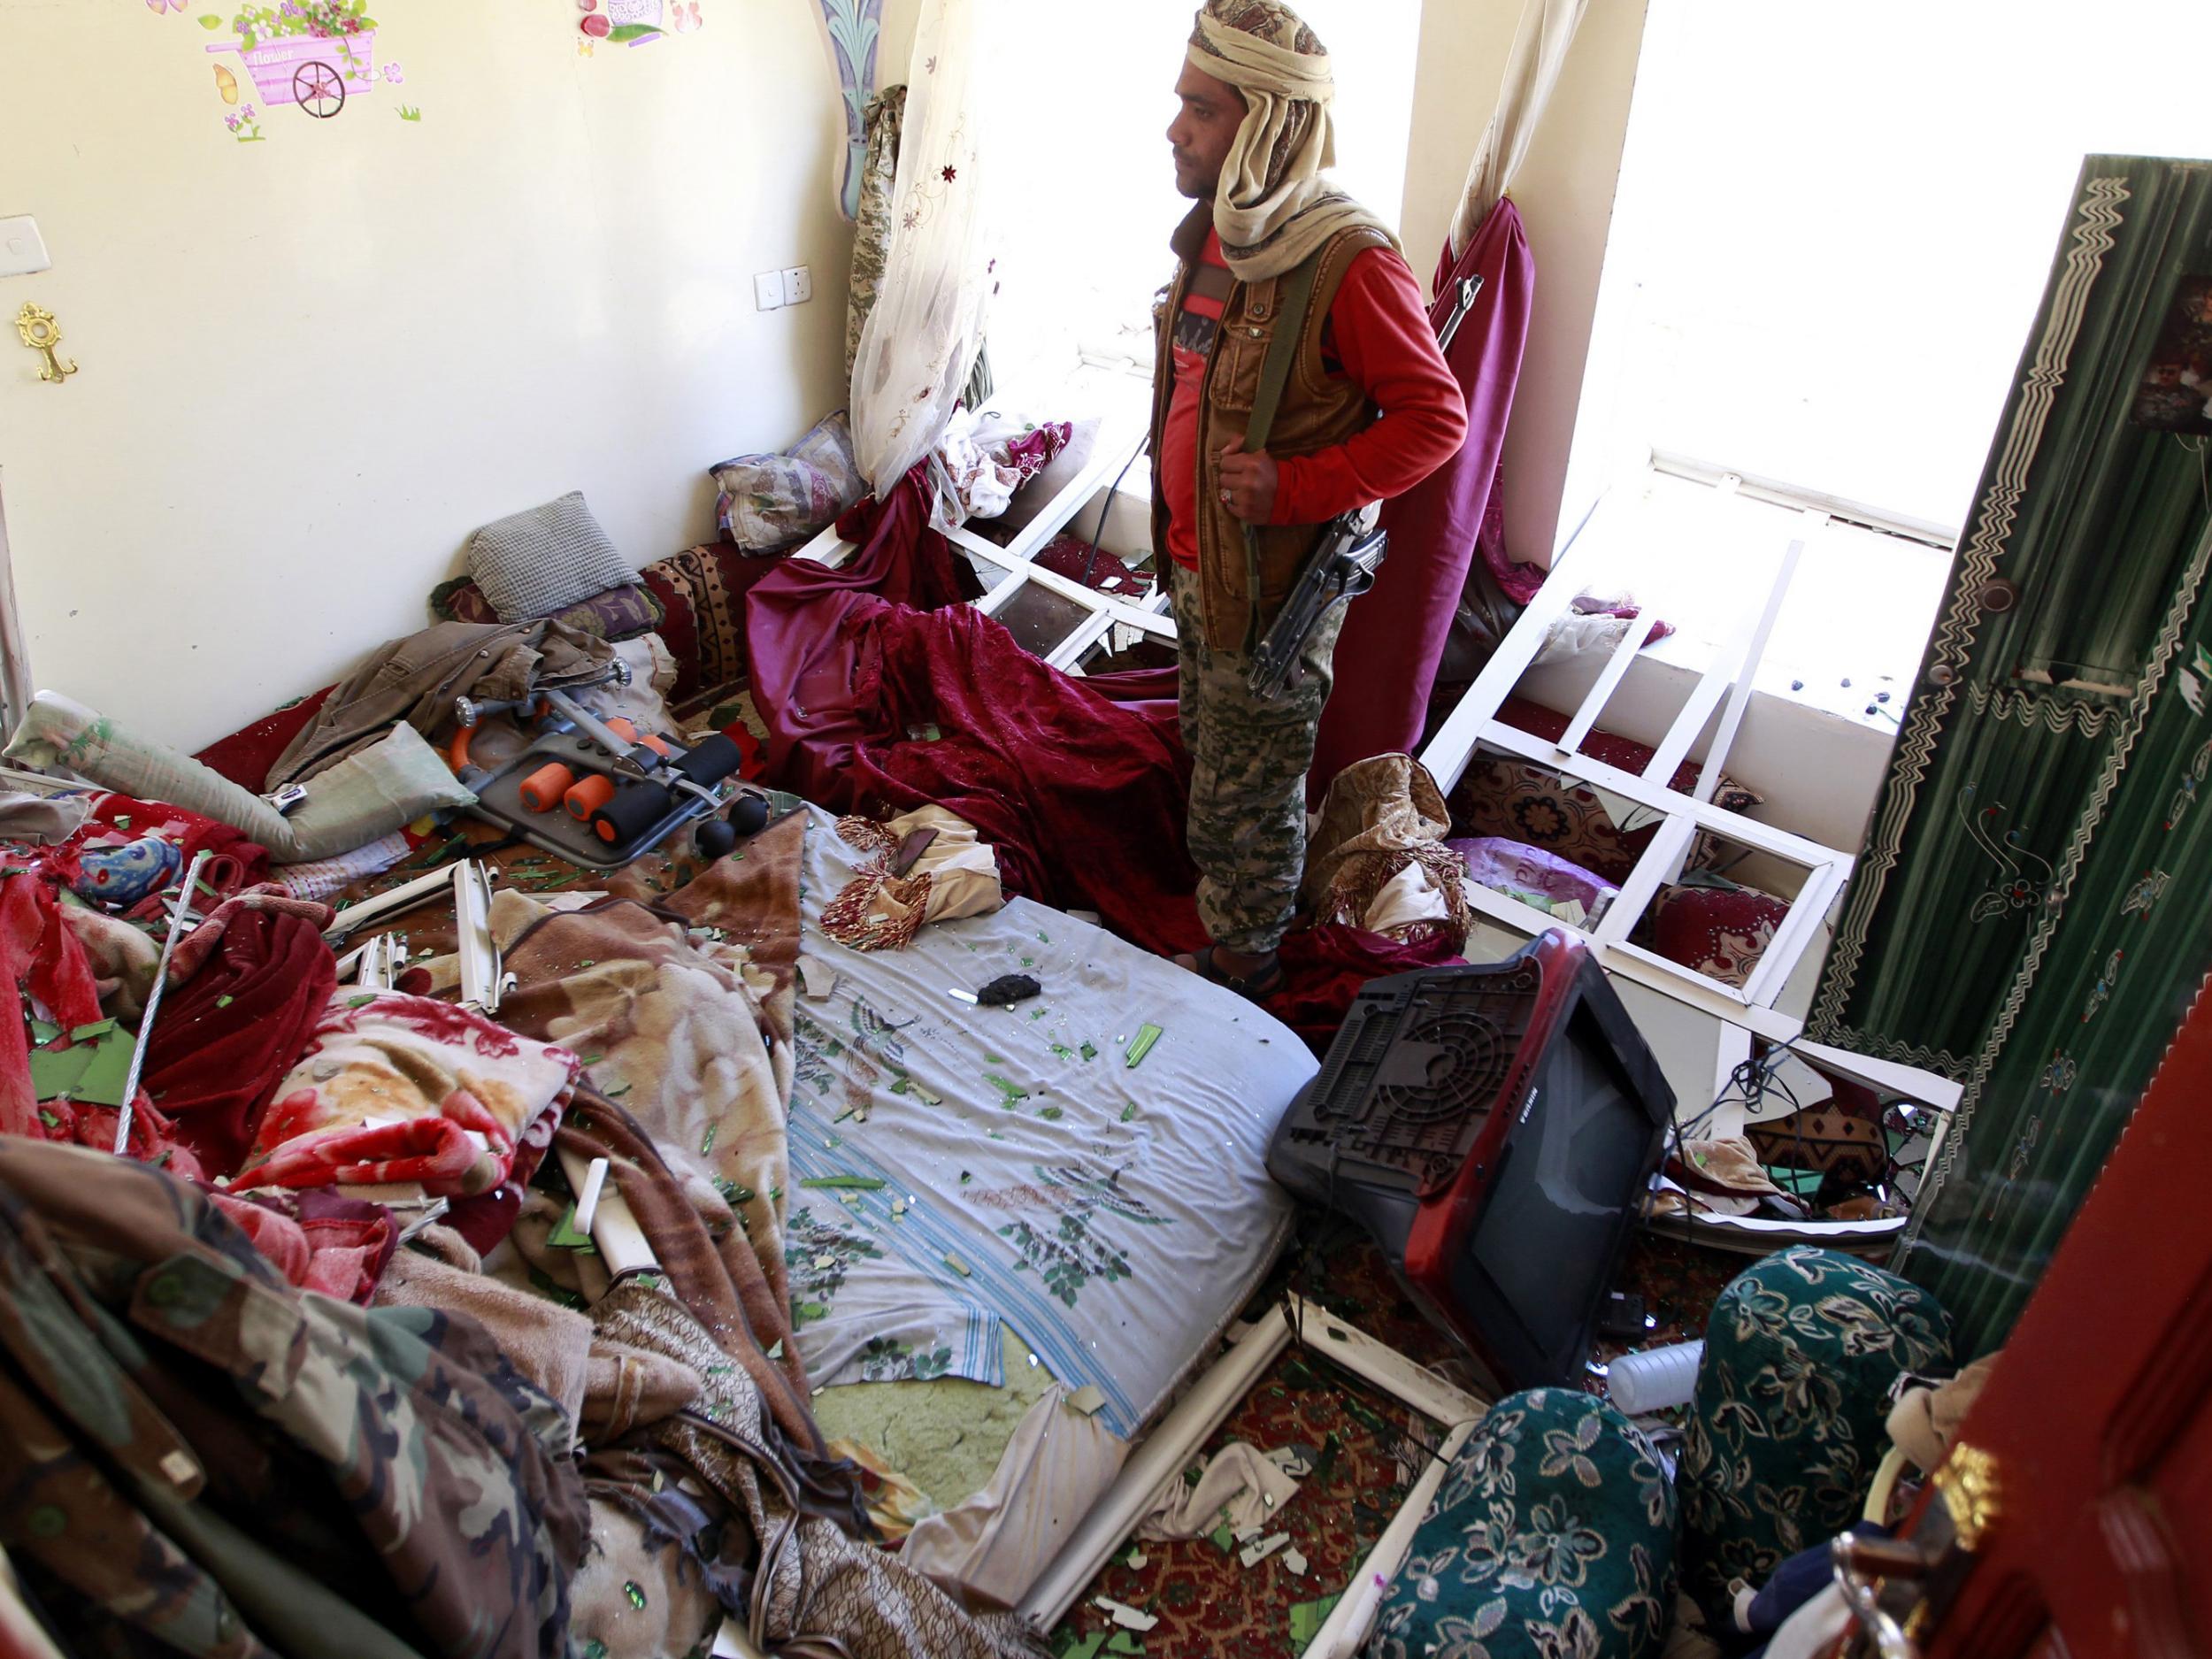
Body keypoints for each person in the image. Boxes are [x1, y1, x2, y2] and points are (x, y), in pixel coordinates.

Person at [1155, 0, 1466, 998]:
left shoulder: (1349, 259)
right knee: (1215, 761)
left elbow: (1434, 420)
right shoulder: (1214, 235)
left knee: (1243, 799)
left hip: (1274, 587)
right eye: (1180, 105)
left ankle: (1241, 972)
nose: (1175, 130)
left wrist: (1299, 486)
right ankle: (1250, 910)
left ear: (1267, 126)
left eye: (1200, 110)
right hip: (1196, 566)